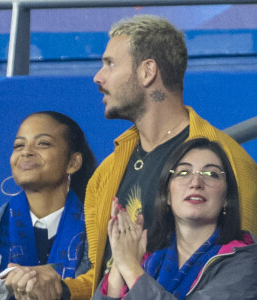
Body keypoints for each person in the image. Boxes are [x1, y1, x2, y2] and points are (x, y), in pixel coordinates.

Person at [62, 15, 257, 299]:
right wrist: (60, 288)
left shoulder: (229, 162)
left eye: (110, 64)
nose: (98, 77)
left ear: (147, 71)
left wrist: (128, 267)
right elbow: (102, 276)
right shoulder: (105, 174)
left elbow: (237, 277)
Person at [93, 138, 257, 299]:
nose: (196, 182)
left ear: (226, 198)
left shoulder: (246, 261)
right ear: (167, 196)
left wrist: (130, 269)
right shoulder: (146, 258)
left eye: (211, 174)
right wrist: (118, 268)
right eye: (183, 172)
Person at [0, 111, 96, 299]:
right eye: (18, 145)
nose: (26, 152)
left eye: (43, 143)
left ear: (73, 162)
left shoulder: (98, 233)